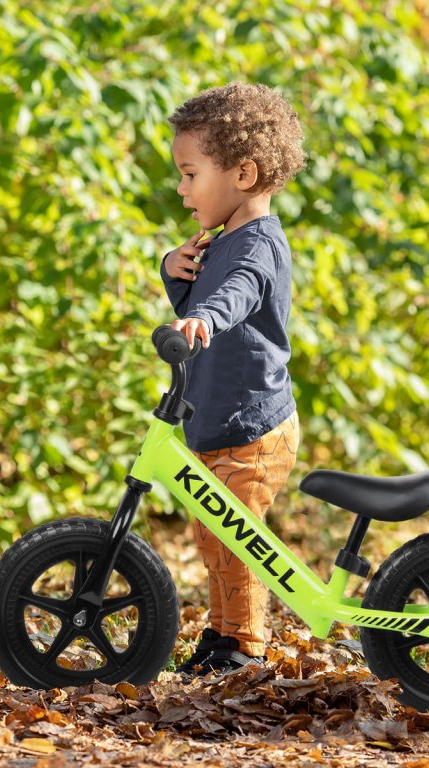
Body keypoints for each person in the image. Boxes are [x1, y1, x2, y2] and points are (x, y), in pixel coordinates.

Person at [159, 81, 306, 676]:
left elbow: (236, 295)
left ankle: (243, 646)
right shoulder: (223, 242)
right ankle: (222, 635)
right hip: (218, 420)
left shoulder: (257, 247)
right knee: (215, 537)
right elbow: (201, 297)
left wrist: (206, 317)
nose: (181, 188)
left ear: (243, 174)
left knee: (237, 539)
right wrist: (174, 271)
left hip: (252, 427)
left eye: (190, 174)